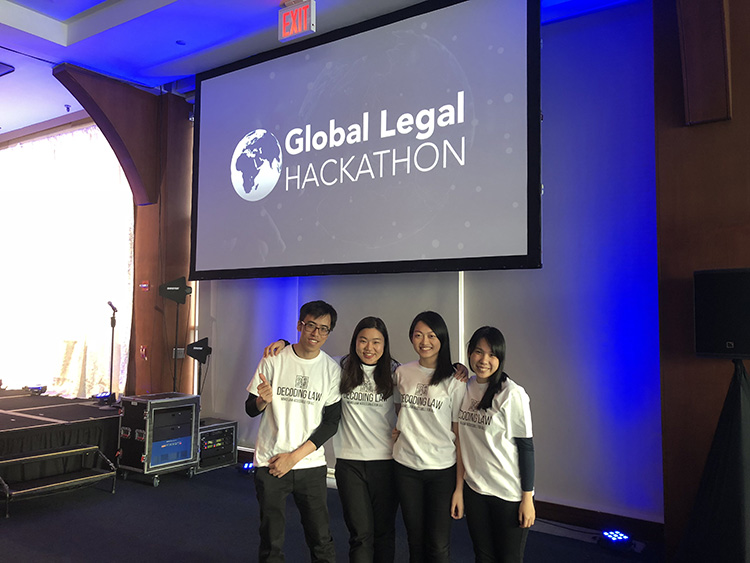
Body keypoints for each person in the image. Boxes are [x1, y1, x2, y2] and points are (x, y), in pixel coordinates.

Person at [264, 316, 400, 563]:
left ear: (385, 344)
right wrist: (284, 343)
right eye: (363, 340)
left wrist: (457, 368)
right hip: (349, 463)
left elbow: (422, 382)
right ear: (355, 342)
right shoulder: (340, 366)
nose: (369, 348)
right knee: (360, 534)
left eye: (376, 342)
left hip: (386, 462)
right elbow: (309, 355)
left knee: (384, 532)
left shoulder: (395, 371)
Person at [245, 300, 342, 563]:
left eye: (323, 329)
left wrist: (293, 458)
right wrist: (262, 401)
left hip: (309, 465)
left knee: (321, 538)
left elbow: (331, 422)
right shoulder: (274, 358)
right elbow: (250, 409)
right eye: (311, 325)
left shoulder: (331, 370)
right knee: (271, 541)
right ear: (300, 325)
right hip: (270, 462)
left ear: (329, 332)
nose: (316, 333)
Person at [392, 310, 466, 563]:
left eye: (432, 335)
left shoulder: (455, 380)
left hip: (441, 470)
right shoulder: (402, 372)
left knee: (438, 544)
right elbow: (399, 410)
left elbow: (459, 435)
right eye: (418, 335)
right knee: (414, 539)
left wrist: (459, 487)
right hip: (406, 466)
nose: (424, 341)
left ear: (442, 338)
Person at [458, 326, 535, 563]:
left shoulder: (511, 394)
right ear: (470, 353)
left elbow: (526, 448)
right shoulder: (464, 387)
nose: (484, 360)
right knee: (483, 556)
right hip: (475, 490)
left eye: (492, 354)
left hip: (507, 494)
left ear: (500, 358)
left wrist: (527, 498)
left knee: (508, 558)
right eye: (478, 352)